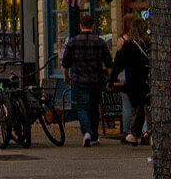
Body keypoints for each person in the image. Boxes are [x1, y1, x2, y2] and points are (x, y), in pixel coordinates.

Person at [61, 12, 112, 147]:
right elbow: (109, 64)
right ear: (93, 26)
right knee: (94, 108)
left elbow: (65, 64)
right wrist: (111, 80)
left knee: (82, 108)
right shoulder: (100, 42)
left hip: (79, 80)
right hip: (96, 80)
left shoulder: (73, 42)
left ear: (80, 26)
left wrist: (67, 78)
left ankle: (87, 132)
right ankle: (94, 135)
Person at [110, 15, 151, 146]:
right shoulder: (150, 44)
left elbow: (117, 64)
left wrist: (112, 80)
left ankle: (135, 133)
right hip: (149, 80)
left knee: (138, 106)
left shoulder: (128, 46)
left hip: (134, 81)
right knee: (148, 106)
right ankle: (148, 132)